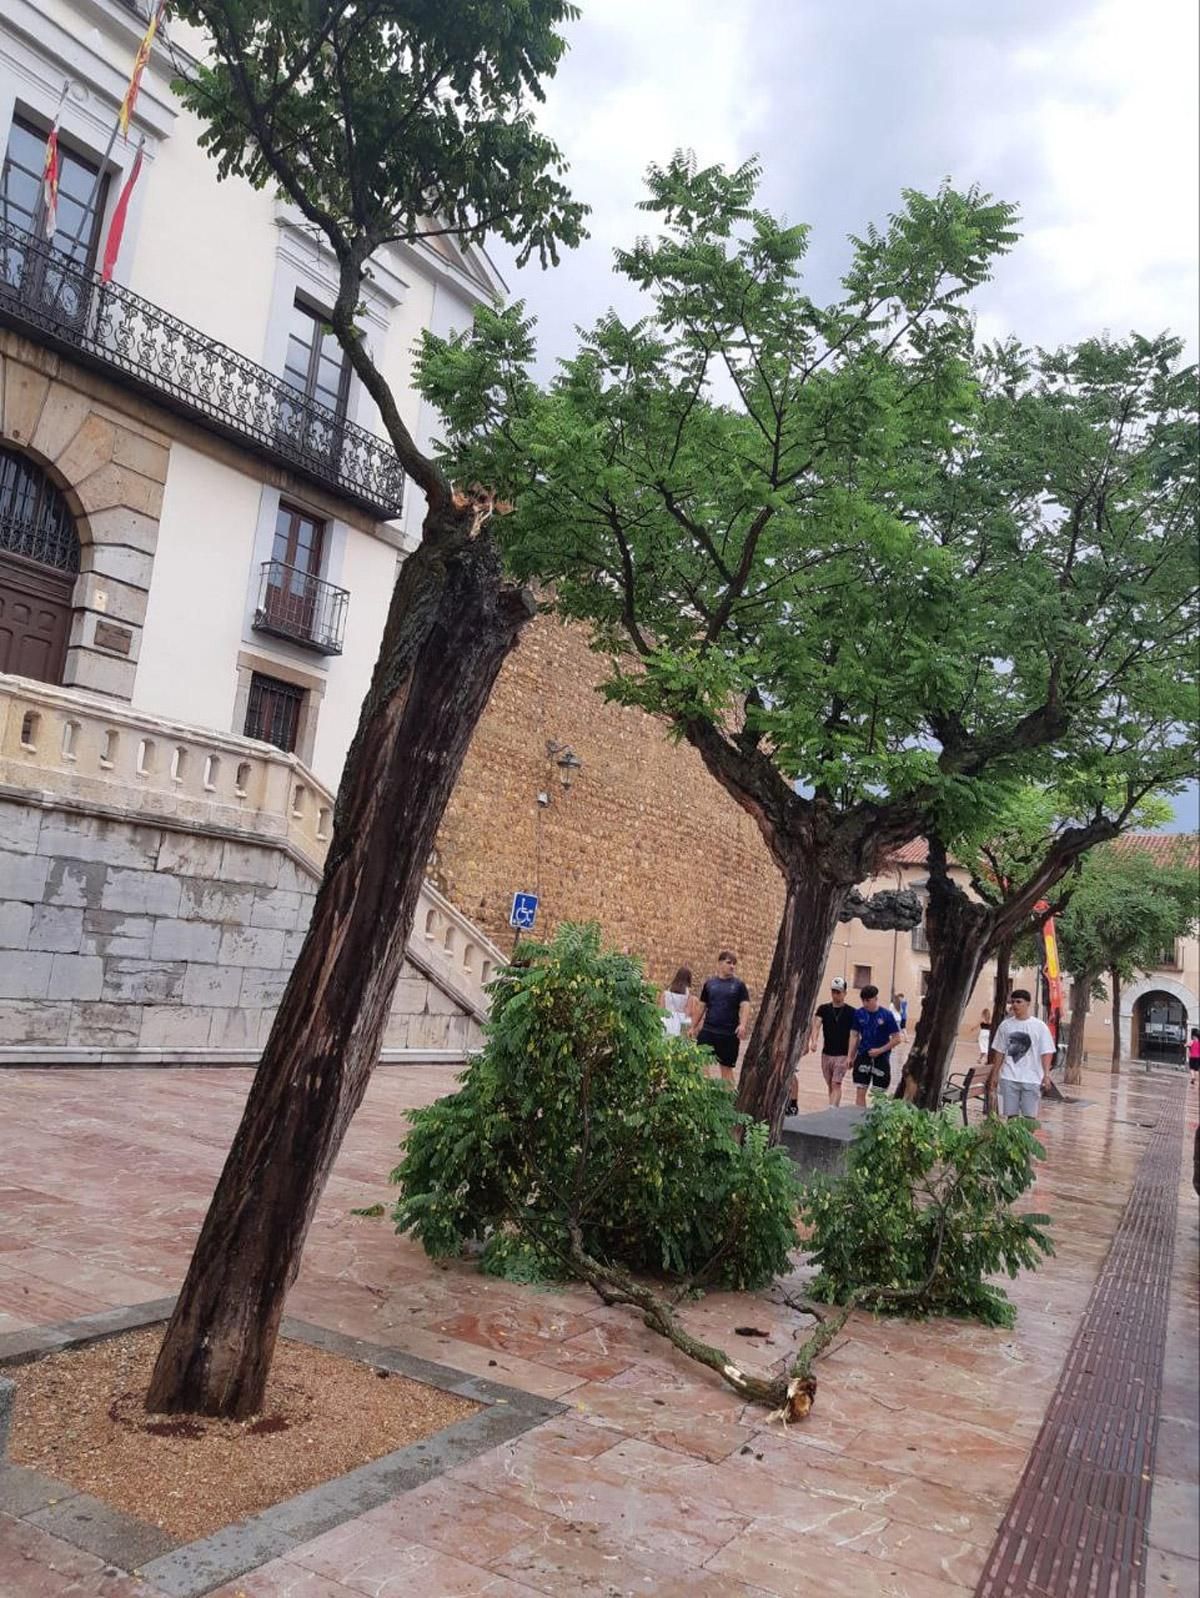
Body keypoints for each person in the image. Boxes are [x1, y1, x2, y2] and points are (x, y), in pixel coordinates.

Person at [988, 989, 1055, 1119]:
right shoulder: (1005, 1025)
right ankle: (1013, 1140)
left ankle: (1027, 1139)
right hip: (1009, 1077)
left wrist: (1046, 1075)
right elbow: (999, 1051)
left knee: (1029, 1118)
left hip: (1032, 1078)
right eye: (1012, 1002)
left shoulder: (1039, 1026)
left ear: (1028, 1004)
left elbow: (1046, 1051)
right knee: (1011, 1118)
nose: (1015, 1005)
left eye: (1019, 1002)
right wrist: (995, 1074)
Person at [795, 977, 855, 1110]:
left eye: (838, 992)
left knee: (836, 1083)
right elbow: (816, 1025)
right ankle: (833, 1107)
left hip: (842, 1054)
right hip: (826, 1054)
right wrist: (814, 1041)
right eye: (833, 991)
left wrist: (852, 1055)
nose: (835, 994)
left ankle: (832, 1110)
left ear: (845, 992)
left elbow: (854, 1035)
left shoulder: (852, 1012)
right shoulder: (823, 1009)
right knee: (830, 1084)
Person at [694, 951, 750, 1084]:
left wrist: (742, 1024)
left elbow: (745, 1005)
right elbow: (702, 1006)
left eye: (734, 964)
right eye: (729, 962)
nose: (732, 966)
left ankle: (727, 1102)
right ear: (719, 963)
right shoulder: (709, 984)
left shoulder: (739, 985)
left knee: (726, 1070)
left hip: (728, 1034)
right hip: (708, 1031)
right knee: (701, 1063)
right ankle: (706, 1095)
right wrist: (693, 1026)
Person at [846, 985, 903, 1106]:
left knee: (879, 1095)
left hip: (881, 1058)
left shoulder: (887, 1015)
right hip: (863, 1056)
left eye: (868, 1000)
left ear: (875, 999)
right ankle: (859, 1119)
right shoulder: (859, 1014)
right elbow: (854, 1035)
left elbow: (897, 1039)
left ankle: (876, 1122)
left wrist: (880, 1050)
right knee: (860, 1090)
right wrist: (850, 1056)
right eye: (863, 1000)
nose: (865, 1003)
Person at [661, 966, 697, 1039]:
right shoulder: (688, 995)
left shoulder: (666, 992)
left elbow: (661, 1009)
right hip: (680, 1023)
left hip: (665, 1020)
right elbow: (688, 1012)